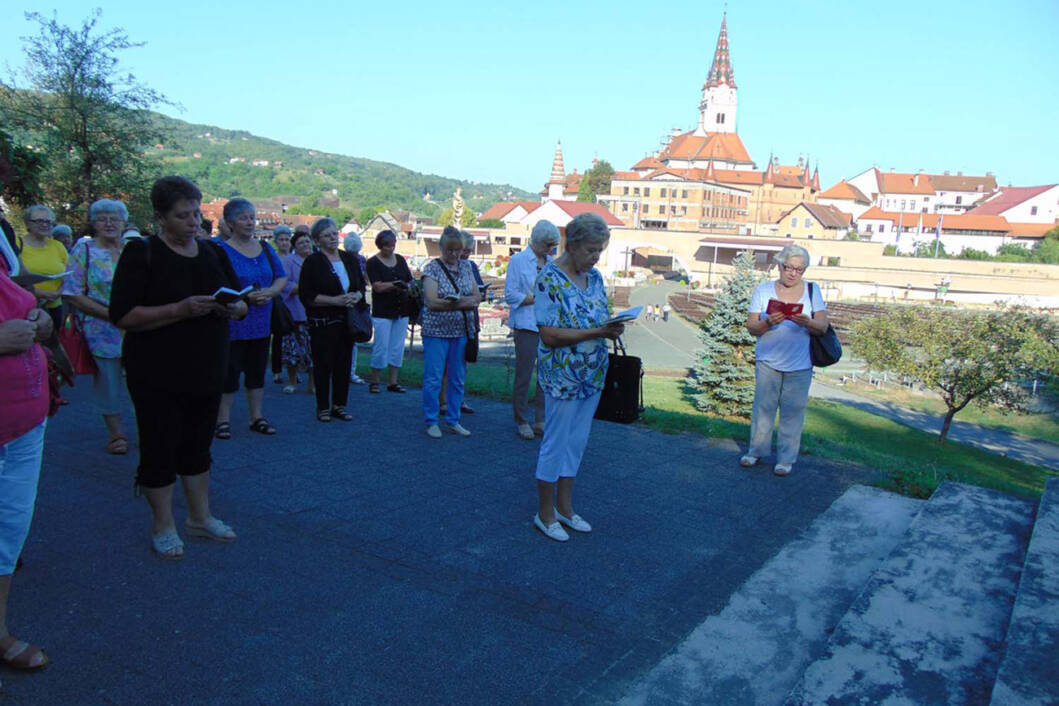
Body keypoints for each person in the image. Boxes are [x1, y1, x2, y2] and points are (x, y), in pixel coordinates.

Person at [110, 176, 246, 558]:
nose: (193, 222)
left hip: (206, 367)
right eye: (182, 215)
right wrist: (179, 309)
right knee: (159, 446)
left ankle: (199, 518)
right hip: (156, 371)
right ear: (160, 217)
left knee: (198, 445)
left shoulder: (213, 253)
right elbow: (122, 315)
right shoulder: (142, 253)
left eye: (197, 213)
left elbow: (240, 303)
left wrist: (236, 307)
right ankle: (163, 525)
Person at [532, 213, 624, 542]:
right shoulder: (549, 279)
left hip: (592, 374)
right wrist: (598, 330)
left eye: (599, 250)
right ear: (571, 245)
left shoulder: (596, 278)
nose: (595, 257)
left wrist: (611, 326)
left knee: (577, 443)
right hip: (562, 376)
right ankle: (545, 513)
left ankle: (565, 508)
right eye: (590, 250)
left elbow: (598, 316)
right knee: (555, 442)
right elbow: (549, 335)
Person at [0, 230, 54, 670]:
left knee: (6, 535)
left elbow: (18, 291)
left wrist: (38, 317)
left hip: (23, 423)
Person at [742, 244, 829, 476]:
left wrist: (807, 322)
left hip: (800, 364)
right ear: (779, 266)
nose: (793, 273)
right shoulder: (763, 290)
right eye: (788, 267)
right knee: (763, 408)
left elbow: (823, 326)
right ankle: (756, 451)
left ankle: (786, 460)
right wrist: (768, 322)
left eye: (799, 270)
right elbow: (751, 326)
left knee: (793, 412)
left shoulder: (813, 291)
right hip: (768, 361)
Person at [61, 199, 130, 454]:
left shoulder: (133, 250)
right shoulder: (84, 251)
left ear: (124, 222)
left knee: (144, 380)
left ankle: (150, 427)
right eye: (102, 218)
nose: (109, 223)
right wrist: (111, 315)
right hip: (102, 329)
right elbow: (71, 293)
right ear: (94, 223)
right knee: (108, 383)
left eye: (115, 218)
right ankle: (116, 434)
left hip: (139, 327)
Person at [214, 199, 287, 439]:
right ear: (230, 222)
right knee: (229, 372)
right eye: (244, 217)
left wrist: (270, 292)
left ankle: (256, 416)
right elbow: (218, 285)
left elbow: (280, 277)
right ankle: (222, 420)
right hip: (233, 323)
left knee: (257, 371)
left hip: (262, 323)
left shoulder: (265, 249)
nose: (250, 222)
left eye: (252, 217)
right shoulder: (221, 251)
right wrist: (244, 299)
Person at [298, 218, 365, 422]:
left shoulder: (349, 259)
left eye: (335, 234)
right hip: (324, 321)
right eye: (328, 235)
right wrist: (334, 300)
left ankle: (340, 405)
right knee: (323, 364)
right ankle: (323, 406)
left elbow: (361, 286)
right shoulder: (313, 262)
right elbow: (307, 295)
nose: (333, 238)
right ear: (318, 240)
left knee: (343, 364)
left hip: (347, 320)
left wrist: (357, 296)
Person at [420, 225, 481, 439]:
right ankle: (431, 420)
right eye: (449, 251)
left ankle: (453, 419)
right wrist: (462, 303)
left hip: (461, 331)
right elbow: (431, 301)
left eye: (457, 251)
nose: (454, 255)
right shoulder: (432, 268)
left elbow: (477, 297)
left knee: (457, 377)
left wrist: (457, 303)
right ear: (441, 248)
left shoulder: (466, 267)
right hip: (436, 332)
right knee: (434, 377)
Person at [504, 220, 558, 440]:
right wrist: (536, 298)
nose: (551, 249)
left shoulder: (552, 263)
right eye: (548, 244)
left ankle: (541, 418)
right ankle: (521, 419)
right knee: (524, 375)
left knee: (545, 376)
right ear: (537, 241)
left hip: (547, 325)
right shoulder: (518, 261)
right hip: (526, 325)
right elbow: (511, 295)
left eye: (553, 245)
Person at [439, 230, 482, 415]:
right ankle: (442, 401)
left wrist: (474, 297)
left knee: (463, 363)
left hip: (469, 320)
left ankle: (458, 398)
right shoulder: (441, 266)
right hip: (448, 321)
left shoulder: (470, 266)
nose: (465, 255)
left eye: (469, 251)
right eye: (464, 250)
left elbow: (478, 293)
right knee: (445, 365)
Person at [365, 229, 412, 394]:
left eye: (393, 245)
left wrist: (407, 286)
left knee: (397, 347)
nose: (391, 249)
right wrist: (395, 285)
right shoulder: (372, 263)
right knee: (381, 346)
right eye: (387, 246)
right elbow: (376, 286)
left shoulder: (400, 259)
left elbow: (409, 279)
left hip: (401, 310)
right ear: (380, 246)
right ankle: (375, 381)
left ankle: (393, 381)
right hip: (383, 311)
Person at [18, 205, 68, 333]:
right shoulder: (17, 245)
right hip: (27, 308)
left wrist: (60, 292)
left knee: (53, 346)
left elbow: (71, 273)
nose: (45, 225)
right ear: (28, 223)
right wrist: (40, 293)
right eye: (39, 221)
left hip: (56, 306)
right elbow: (10, 278)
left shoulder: (58, 246)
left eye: (48, 221)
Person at [279, 230, 313, 395]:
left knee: (313, 350)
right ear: (295, 247)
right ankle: (292, 381)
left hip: (314, 312)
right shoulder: (288, 261)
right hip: (294, 312)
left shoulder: (317, 260)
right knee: (291, 349)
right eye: (301, 243)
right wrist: (305, 288)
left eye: (307, 241)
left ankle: (312, 384)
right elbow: (285, 284)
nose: (306, 245)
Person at [342, 232, 368, 385]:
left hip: (346, 301)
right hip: (356, 302)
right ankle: (350, 371)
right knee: (353, 340)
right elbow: (364, 282)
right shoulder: (361, 260)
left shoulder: (341, 258)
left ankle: (344, 371)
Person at [269, 225, 293, 384]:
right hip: (278, 301)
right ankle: (277, 370)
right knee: (278, 336)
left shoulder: (295, 258)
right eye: (281, 240)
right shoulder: (272, 258)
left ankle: (294, 369)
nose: (284, 243)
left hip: (294, 302)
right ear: (276, 241)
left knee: (293, 337)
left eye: (287, 239)